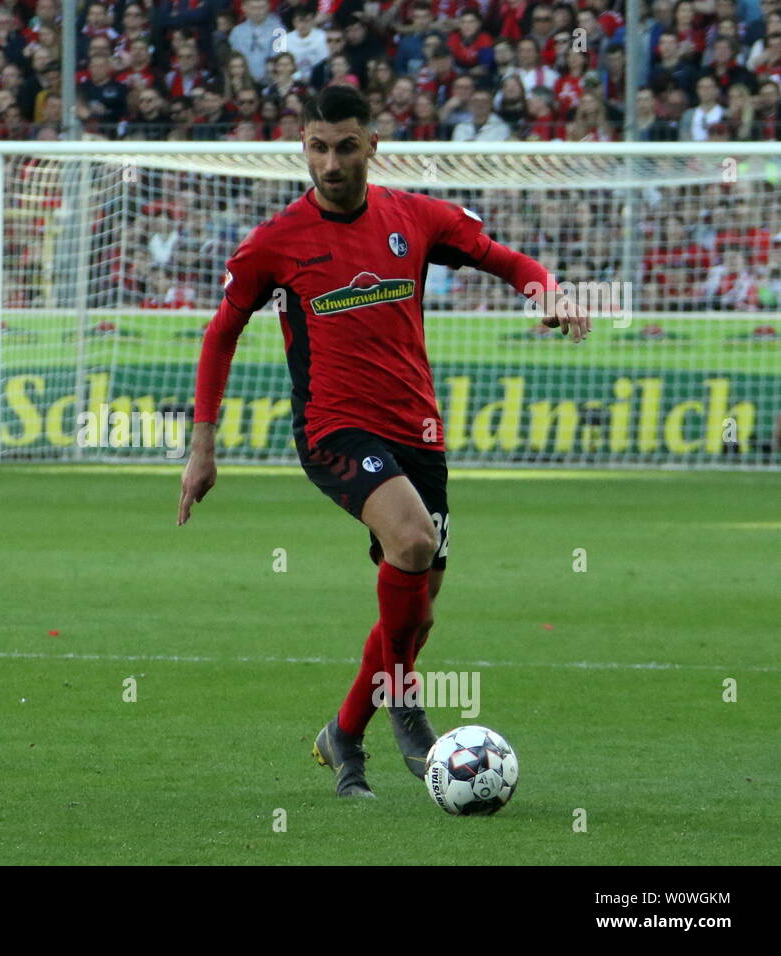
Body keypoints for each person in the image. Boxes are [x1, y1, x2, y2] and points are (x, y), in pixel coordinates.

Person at [176, 86, 590, 798]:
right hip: (333, 429)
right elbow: (222, 334)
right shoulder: (275, 242)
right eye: (317, 147)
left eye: (344, 146)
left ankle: (343, 733)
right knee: (414, 544)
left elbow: (505, 258)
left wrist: (546, 289)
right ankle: (404, 699)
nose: (330, 163)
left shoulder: (415, 218)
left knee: (418, 607)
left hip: (419, 434)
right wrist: (202, 444)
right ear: (301, 147)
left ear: (372, 146)